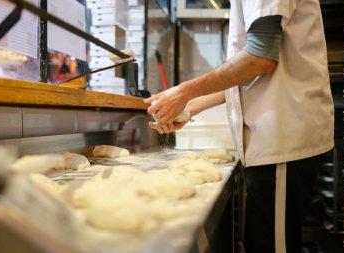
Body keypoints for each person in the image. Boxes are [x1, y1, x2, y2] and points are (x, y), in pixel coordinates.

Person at [143, 0, 334, 252]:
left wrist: (184, 92)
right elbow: (247, 76)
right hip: (275, 137)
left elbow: (260, 58)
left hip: (283, 138)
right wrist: (188, 107)